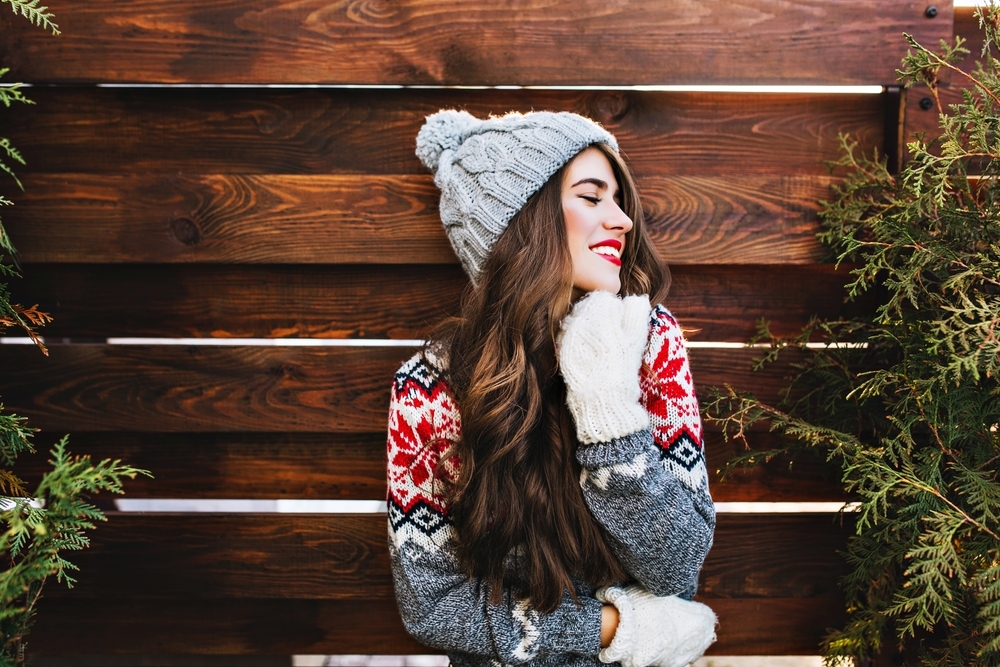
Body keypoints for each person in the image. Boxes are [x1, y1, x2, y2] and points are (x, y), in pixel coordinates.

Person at [386, 109, 717, 667]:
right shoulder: (431, 390)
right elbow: (432, 605)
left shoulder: (648, 341)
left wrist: (607, 405)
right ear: (522, 223)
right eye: (592, 197)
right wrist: (615, 629)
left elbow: (677, 564)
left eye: (618, 200)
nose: (622, 221)